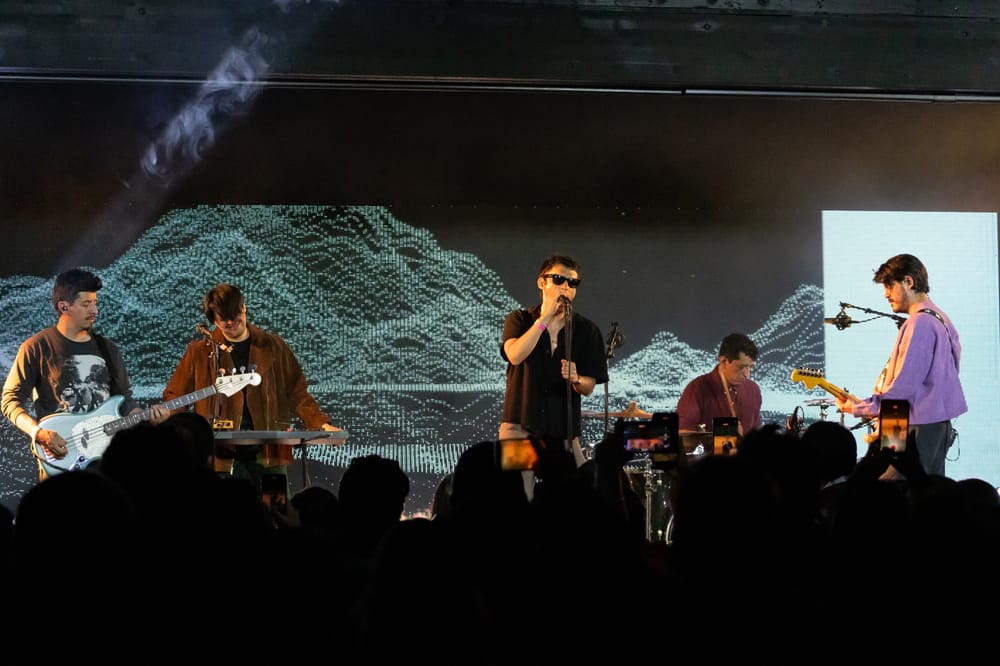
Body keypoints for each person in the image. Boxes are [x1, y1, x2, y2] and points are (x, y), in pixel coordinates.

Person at [162, 283, 343, 495]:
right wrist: (170, 428)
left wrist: (321, 424)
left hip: (270, 453)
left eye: (235, 315)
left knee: (275, 509)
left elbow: (297, 392)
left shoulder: (274, 346)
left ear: (244, 308)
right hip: (221, 456)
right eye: (224, 319)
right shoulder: (200, 352)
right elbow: (176, 395)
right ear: (214, 320)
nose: (231, 322)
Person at [1, 268, 170, 481]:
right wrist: (39, 433)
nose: (94, 310)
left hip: (107, 466)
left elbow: (125, 402)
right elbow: (10, 400)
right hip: (61, 460)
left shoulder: (109, 349)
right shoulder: (36, 347)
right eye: (86, 304)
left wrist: (149, 419)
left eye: (95, 303)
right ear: (64, 307)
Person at [834, 253, 966, 477]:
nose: (885, 294)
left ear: (908, 281)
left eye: (889, 286)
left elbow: (902, 391)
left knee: (895, 489)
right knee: (925, 488)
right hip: (929, 422)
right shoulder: (940, 317)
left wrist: (857, 408)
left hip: (909, 423)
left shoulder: (920, 323)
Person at [499, 254, 608, 471]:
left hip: (563, 428)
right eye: (559, 279)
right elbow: (515, 355)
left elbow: (589, 387)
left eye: (573, 283)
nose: (566, 287)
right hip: (520, 423)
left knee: (576, 485)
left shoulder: (587, 330)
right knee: (519, 488)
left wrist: (577, 378)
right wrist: (544, 318)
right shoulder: (519, 319)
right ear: (542, 282)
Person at [676, 331, 762, 447]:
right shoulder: (697, 389)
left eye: (750, 367)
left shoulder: (753, 390)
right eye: (741, 367)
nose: (747, 375)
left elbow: (756, 437)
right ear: (724, 361)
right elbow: (681, 438)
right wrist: (722, 440)